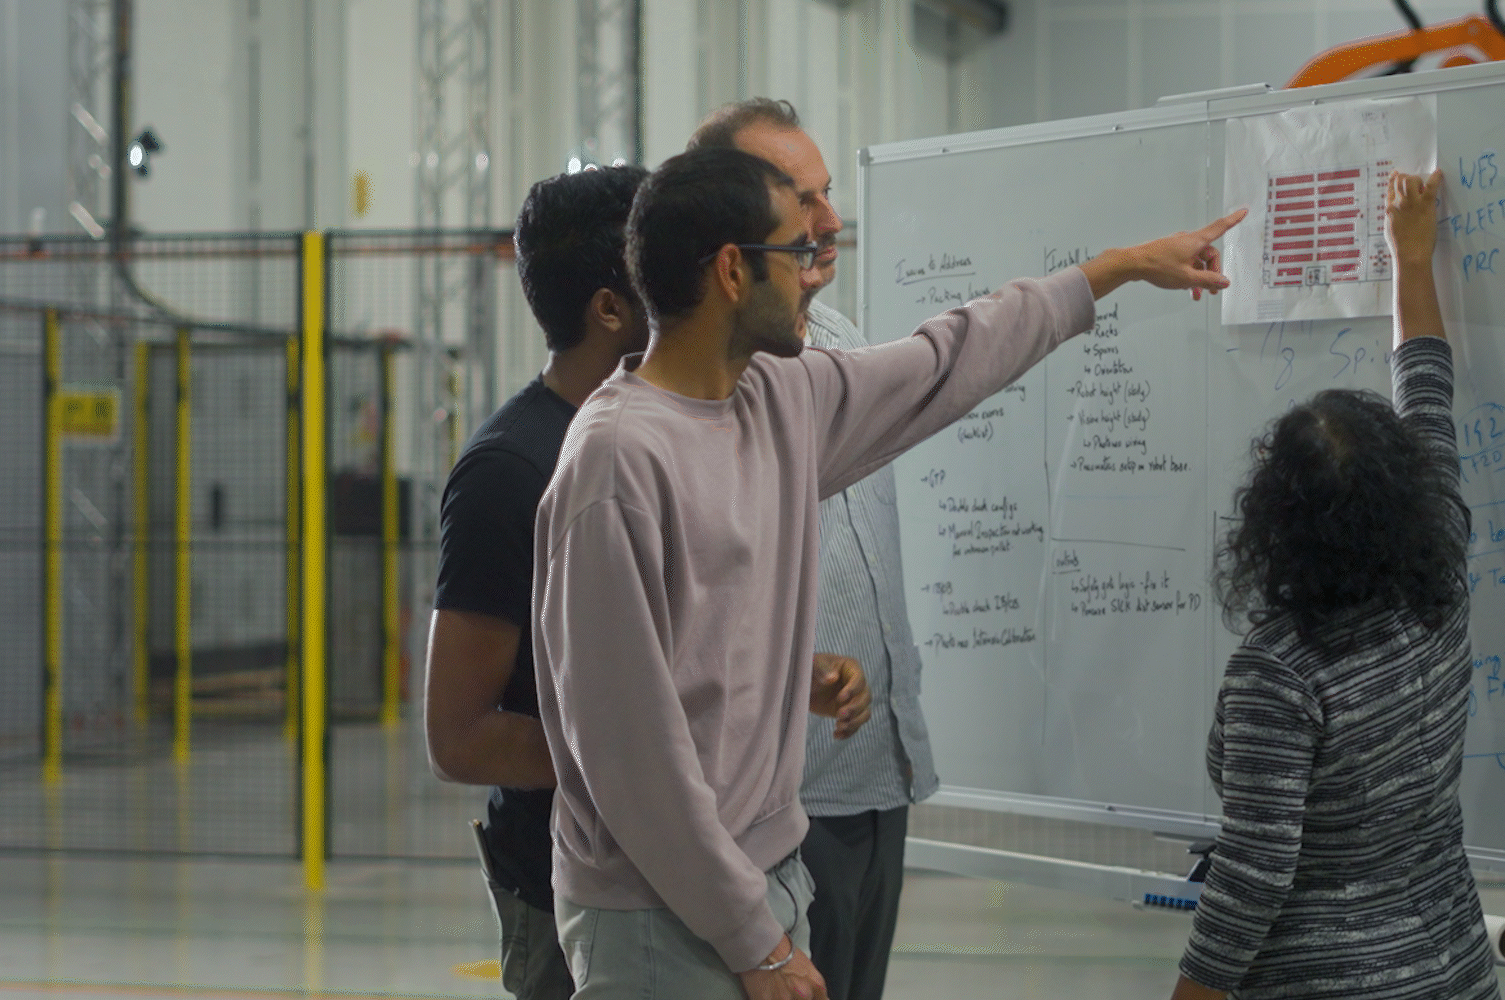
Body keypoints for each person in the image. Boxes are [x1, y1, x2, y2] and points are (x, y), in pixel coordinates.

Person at [532, 145, 1243, 1000]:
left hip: (761, 877)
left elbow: (949, 359)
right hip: (659, 917)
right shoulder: (618, 463)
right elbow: (630, 758)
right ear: (730, 271)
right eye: (795, 251)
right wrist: (754, 943)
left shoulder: (776, 398)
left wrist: (1113, 272)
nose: (812, 272)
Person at [1169, 170, 1502, 1000]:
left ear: (1275, 521)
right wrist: (1412, 260)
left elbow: (1253, 876)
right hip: (1453, 960)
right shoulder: (1439, 579)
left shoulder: (1279, 673)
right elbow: (1427, 391)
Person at [685, 97, 925, 1000]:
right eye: (800, 200)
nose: (827, 222)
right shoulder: (706, 382)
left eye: (826, 196)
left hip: (876, 772)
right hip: (773, 803)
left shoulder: (844, 341)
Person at [422, 163, 650, 1000]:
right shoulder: (510, 472)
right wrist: (639, 761)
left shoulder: (656, 433)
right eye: (663, 262)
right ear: (611, 308)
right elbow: (460, 735)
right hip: (563, 899)